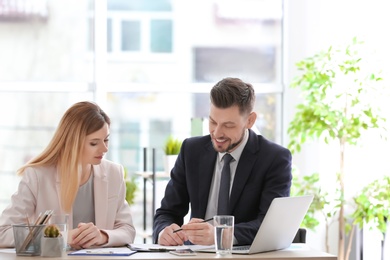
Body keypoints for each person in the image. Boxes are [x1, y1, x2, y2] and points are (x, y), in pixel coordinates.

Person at [153, 77, 292, 246]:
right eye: (213, 122)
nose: (217, 133)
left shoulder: (274, 158)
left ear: (250, 120)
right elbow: (167, 211)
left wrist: (222, 235)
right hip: (195, 255)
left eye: (228, 125)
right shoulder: (191, 150)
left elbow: (270, 225)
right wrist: (164, 231)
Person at [0, 101, 136, 249]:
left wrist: (102, 236)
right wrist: (62, 236)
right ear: (72, 142)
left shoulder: (113, 173)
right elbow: (3, 233)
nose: (104, 148)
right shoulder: (37, 176)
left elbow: (127, 229)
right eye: (94, 143)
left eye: (106, 140)